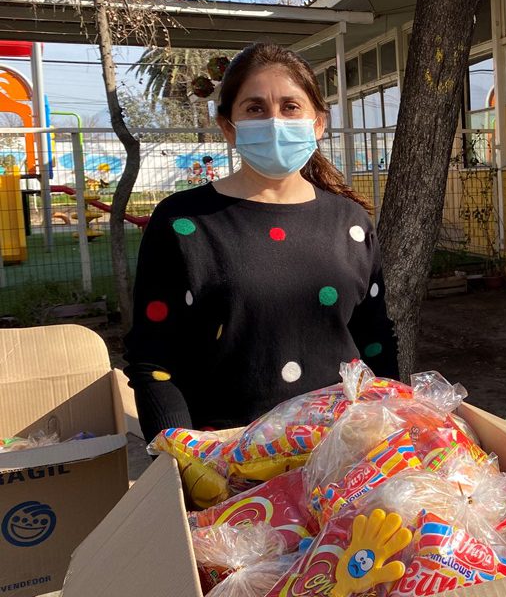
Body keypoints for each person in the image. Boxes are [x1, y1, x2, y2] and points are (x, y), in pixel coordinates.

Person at [124, 42, 399, 442]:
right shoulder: (183, 223)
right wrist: (185, 461)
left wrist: (393, 423)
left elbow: (376, 340)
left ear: (318, 124)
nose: (274, 121)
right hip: (229, 465)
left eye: (290, 107)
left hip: (344, 458)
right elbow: (153, 361)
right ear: (227, 127)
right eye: (255, 108)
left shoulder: (350, 224)